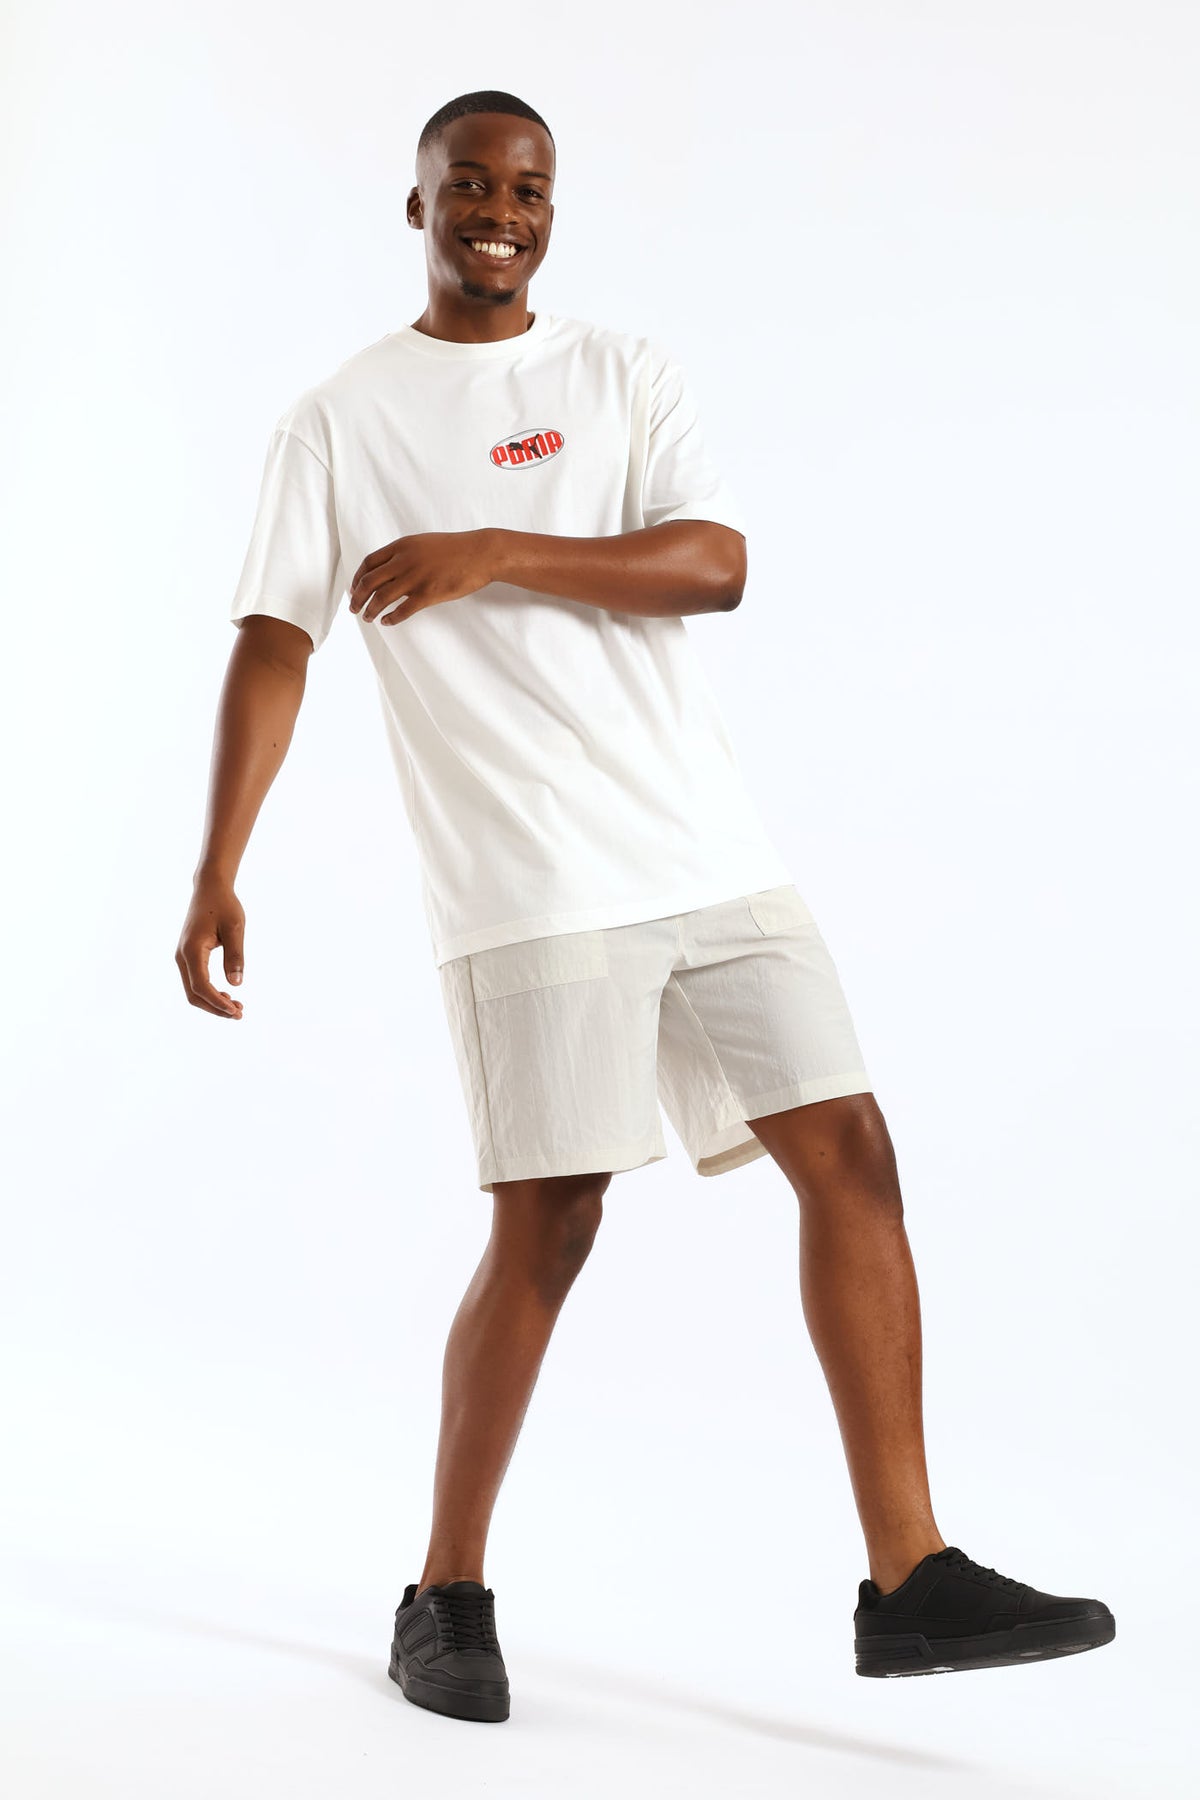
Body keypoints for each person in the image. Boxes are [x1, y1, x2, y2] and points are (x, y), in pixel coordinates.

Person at [176, 89, 1115, 1725]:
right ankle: (443, 1591)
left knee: (854, 1152)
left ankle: (909, 1578)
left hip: (709, 852)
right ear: (417, 204)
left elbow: (713, 564)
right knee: (550, 1222)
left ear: (553, 210)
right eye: (471, 184)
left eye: (529, 188)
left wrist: (497, 547)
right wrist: (216, 864)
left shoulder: (622, 373)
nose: (501, 210)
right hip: (530, 879)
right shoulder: (339, 420)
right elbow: (275, 638)